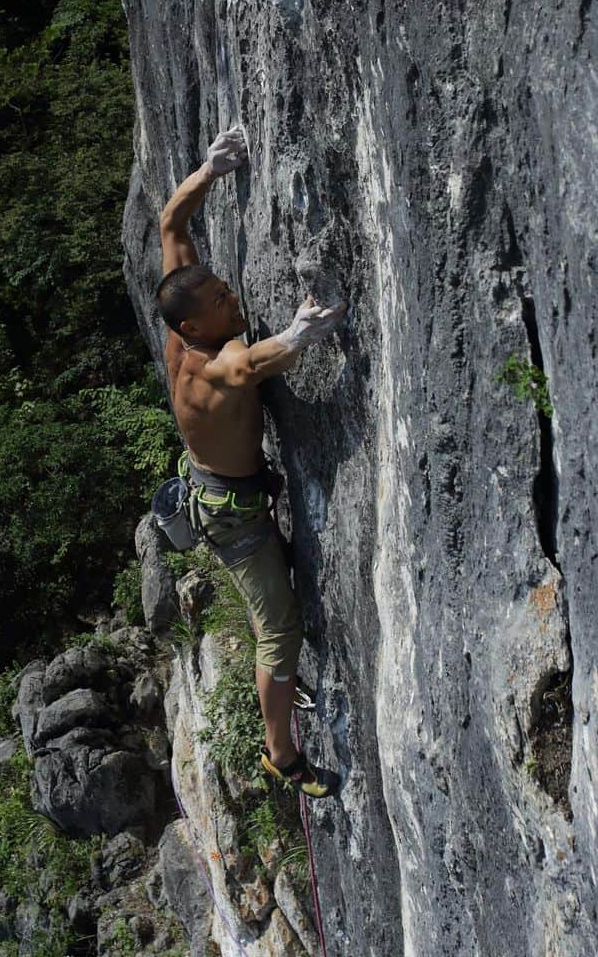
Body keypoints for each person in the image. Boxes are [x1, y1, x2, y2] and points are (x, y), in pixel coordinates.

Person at [156, 124, 347, 798]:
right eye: (219, 303)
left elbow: (171, 219)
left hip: (221, 487)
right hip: (234, 521)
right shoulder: (210, 370)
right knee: (280, 633)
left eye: (221, 288)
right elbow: (255, 361)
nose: (230, 296)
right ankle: (280, 756)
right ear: (194, 331)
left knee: (280, 627)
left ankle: (280, 732)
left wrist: (209, 170)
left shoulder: (182, 303)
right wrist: (300, 331)